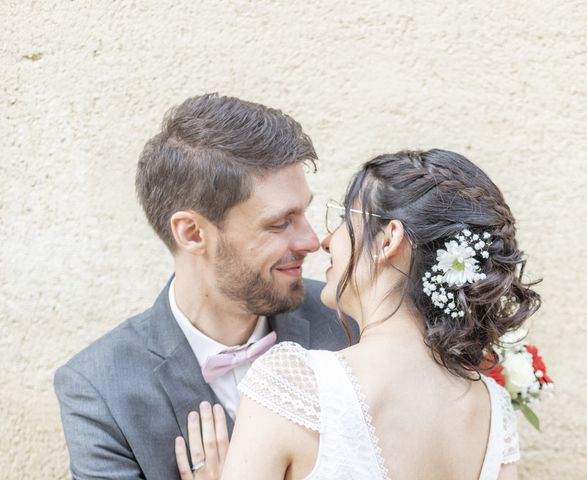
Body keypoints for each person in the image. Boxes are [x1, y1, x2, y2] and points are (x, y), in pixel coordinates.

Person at [175, 149, 540, 479]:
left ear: (388, 240)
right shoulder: (493, 411)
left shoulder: (296, 383)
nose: (326, 240)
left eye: (343, 219)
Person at [54, 93, 356, 479]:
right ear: (192, 233)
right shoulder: (99, 390)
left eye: (304, 212)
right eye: (280, 223)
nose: (311, 241)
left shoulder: (348, 322)